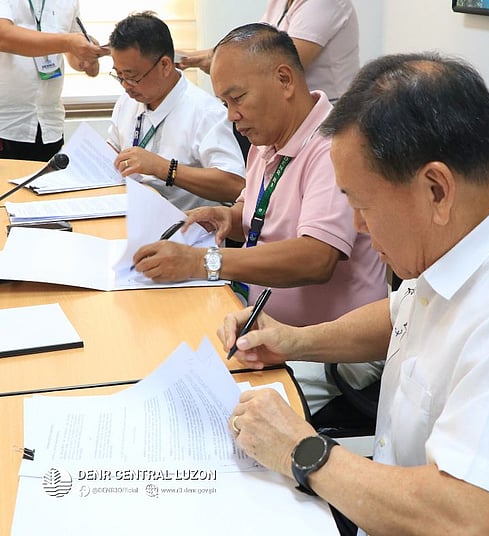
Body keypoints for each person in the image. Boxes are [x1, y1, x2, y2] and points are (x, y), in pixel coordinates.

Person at [219, 52, 489, 535]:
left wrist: (301, 449)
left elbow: (470, 520)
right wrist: (293, 341)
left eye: (362, 205)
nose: (357, 225)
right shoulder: (465, 236)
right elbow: (402, 313)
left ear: (436, 190)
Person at [132, 23, 387, 415]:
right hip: (264, 326)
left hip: (327, 349)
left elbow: (316, 258)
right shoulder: (266, 141)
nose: (232, 116)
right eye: (224, 103)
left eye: (237, 98)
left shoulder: (332, 146)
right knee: (159, 362)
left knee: (213, 414)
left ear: (284, 80)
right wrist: (228, 217)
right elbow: (258, 214)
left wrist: (203, 261)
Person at [106, 12, 246, 211]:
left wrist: (163, 168)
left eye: (132, 76)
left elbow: (235, 185)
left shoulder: (206, 112)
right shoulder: (127, 102)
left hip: (185, 224)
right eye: (119, 75)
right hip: (130, 213)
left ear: (165, 65)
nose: (125, 85)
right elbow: (112, 149)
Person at [179, 0, 359, 102]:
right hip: (288, 108)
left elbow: (280, 61)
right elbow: (252, 45)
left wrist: (213, 61)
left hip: (325, 113)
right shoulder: (280, 2)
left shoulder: (325, 3)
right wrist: (188, 57)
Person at [0, 0, 108, 161]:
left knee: (49, 177)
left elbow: (71, 51)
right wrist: (68, 42)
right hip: (6, 123)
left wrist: (86, 57)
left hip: (50, 124)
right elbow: (4, 37)